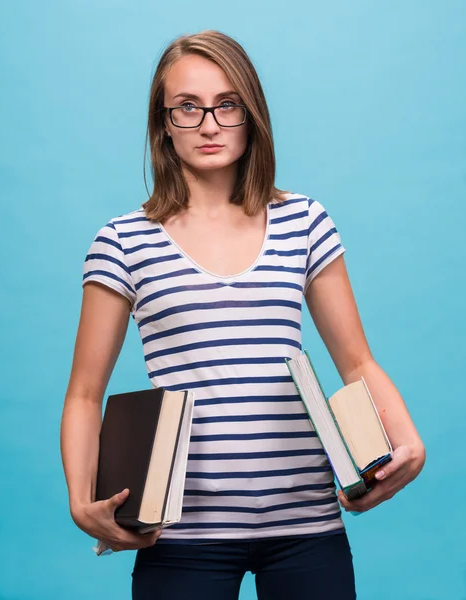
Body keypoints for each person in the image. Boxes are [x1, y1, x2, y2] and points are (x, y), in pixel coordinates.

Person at [60, 30, 425, 600]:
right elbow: (84, 392)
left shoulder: (304, 221)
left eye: (226, 105)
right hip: (180, 536)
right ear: (163, 123)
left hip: (307, 528)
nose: (209, 124)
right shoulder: (123, 241)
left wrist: (408, 444)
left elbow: (357, 361)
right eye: (188, 107)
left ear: (251, 114)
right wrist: (82, 503)